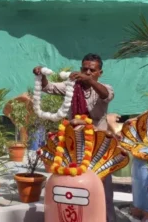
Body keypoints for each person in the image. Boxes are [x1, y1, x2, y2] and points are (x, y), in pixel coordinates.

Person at [34, 53, 116, 222]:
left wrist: (89, 81)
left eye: (92, 70)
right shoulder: (72, 85)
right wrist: (40, 74)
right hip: (73, 146)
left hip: (97, 147)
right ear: (80, 69)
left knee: (103, 188)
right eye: (84, 68)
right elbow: (47, 87)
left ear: (99, 72)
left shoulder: (104, 87)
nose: (87, 72)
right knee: (72, 183)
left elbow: (105, 95)